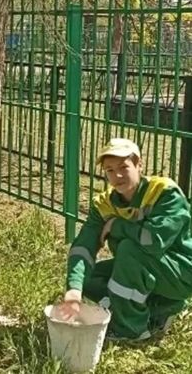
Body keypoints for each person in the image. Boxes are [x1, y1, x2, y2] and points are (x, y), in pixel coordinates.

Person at [59, 138, 192, 341]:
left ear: (139, 165)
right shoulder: (105, 203)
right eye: (110, 170)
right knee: (88, 277)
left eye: (124, 167)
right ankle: (158, 311)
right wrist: (74, 290)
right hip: (141, 267)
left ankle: (131, 330)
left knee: (130, 249)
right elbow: (83, 246)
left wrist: (116, 226)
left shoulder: (164, 193)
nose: (118, 175)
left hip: (182, 271)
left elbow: (154, 241)